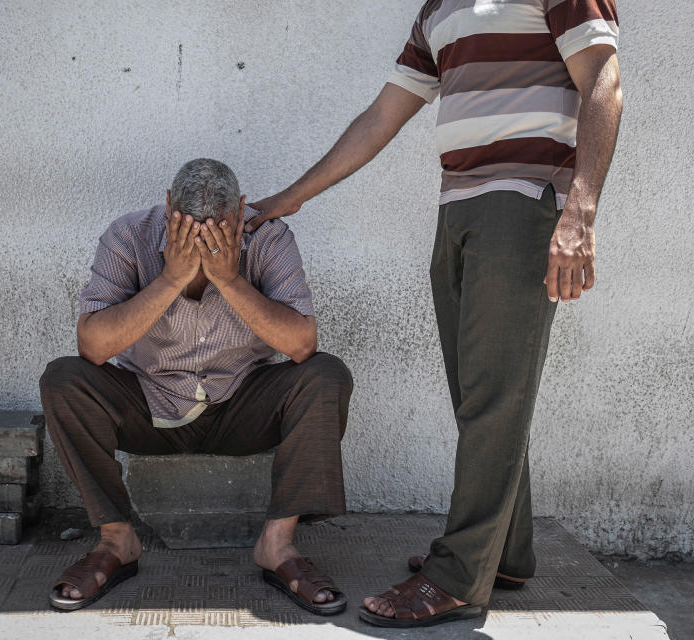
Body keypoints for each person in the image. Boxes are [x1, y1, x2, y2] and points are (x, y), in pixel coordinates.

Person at [246, 0, 622, 628]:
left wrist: (580, 211)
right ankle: (504, 550)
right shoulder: (438, 9)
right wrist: (288, 200)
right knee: (481, 393)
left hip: (523, 200)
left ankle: (457, 577)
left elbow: (603, 79)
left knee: (493, 395)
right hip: (459, 209)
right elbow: (381, 117)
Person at [40, 158, 353, 615]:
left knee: (326, 374)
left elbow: (302, 344)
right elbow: (92, 346)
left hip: (243, 401)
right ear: (168, 208)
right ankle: (116, 540)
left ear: (241, 210)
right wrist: (170, 278)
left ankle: (278, 546)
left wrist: (228, 279)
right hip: (149, 401)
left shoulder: (267, 238)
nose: (204, 239)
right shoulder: (128, 235)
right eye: (187, 226)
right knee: (64, 379)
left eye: (220, 227)